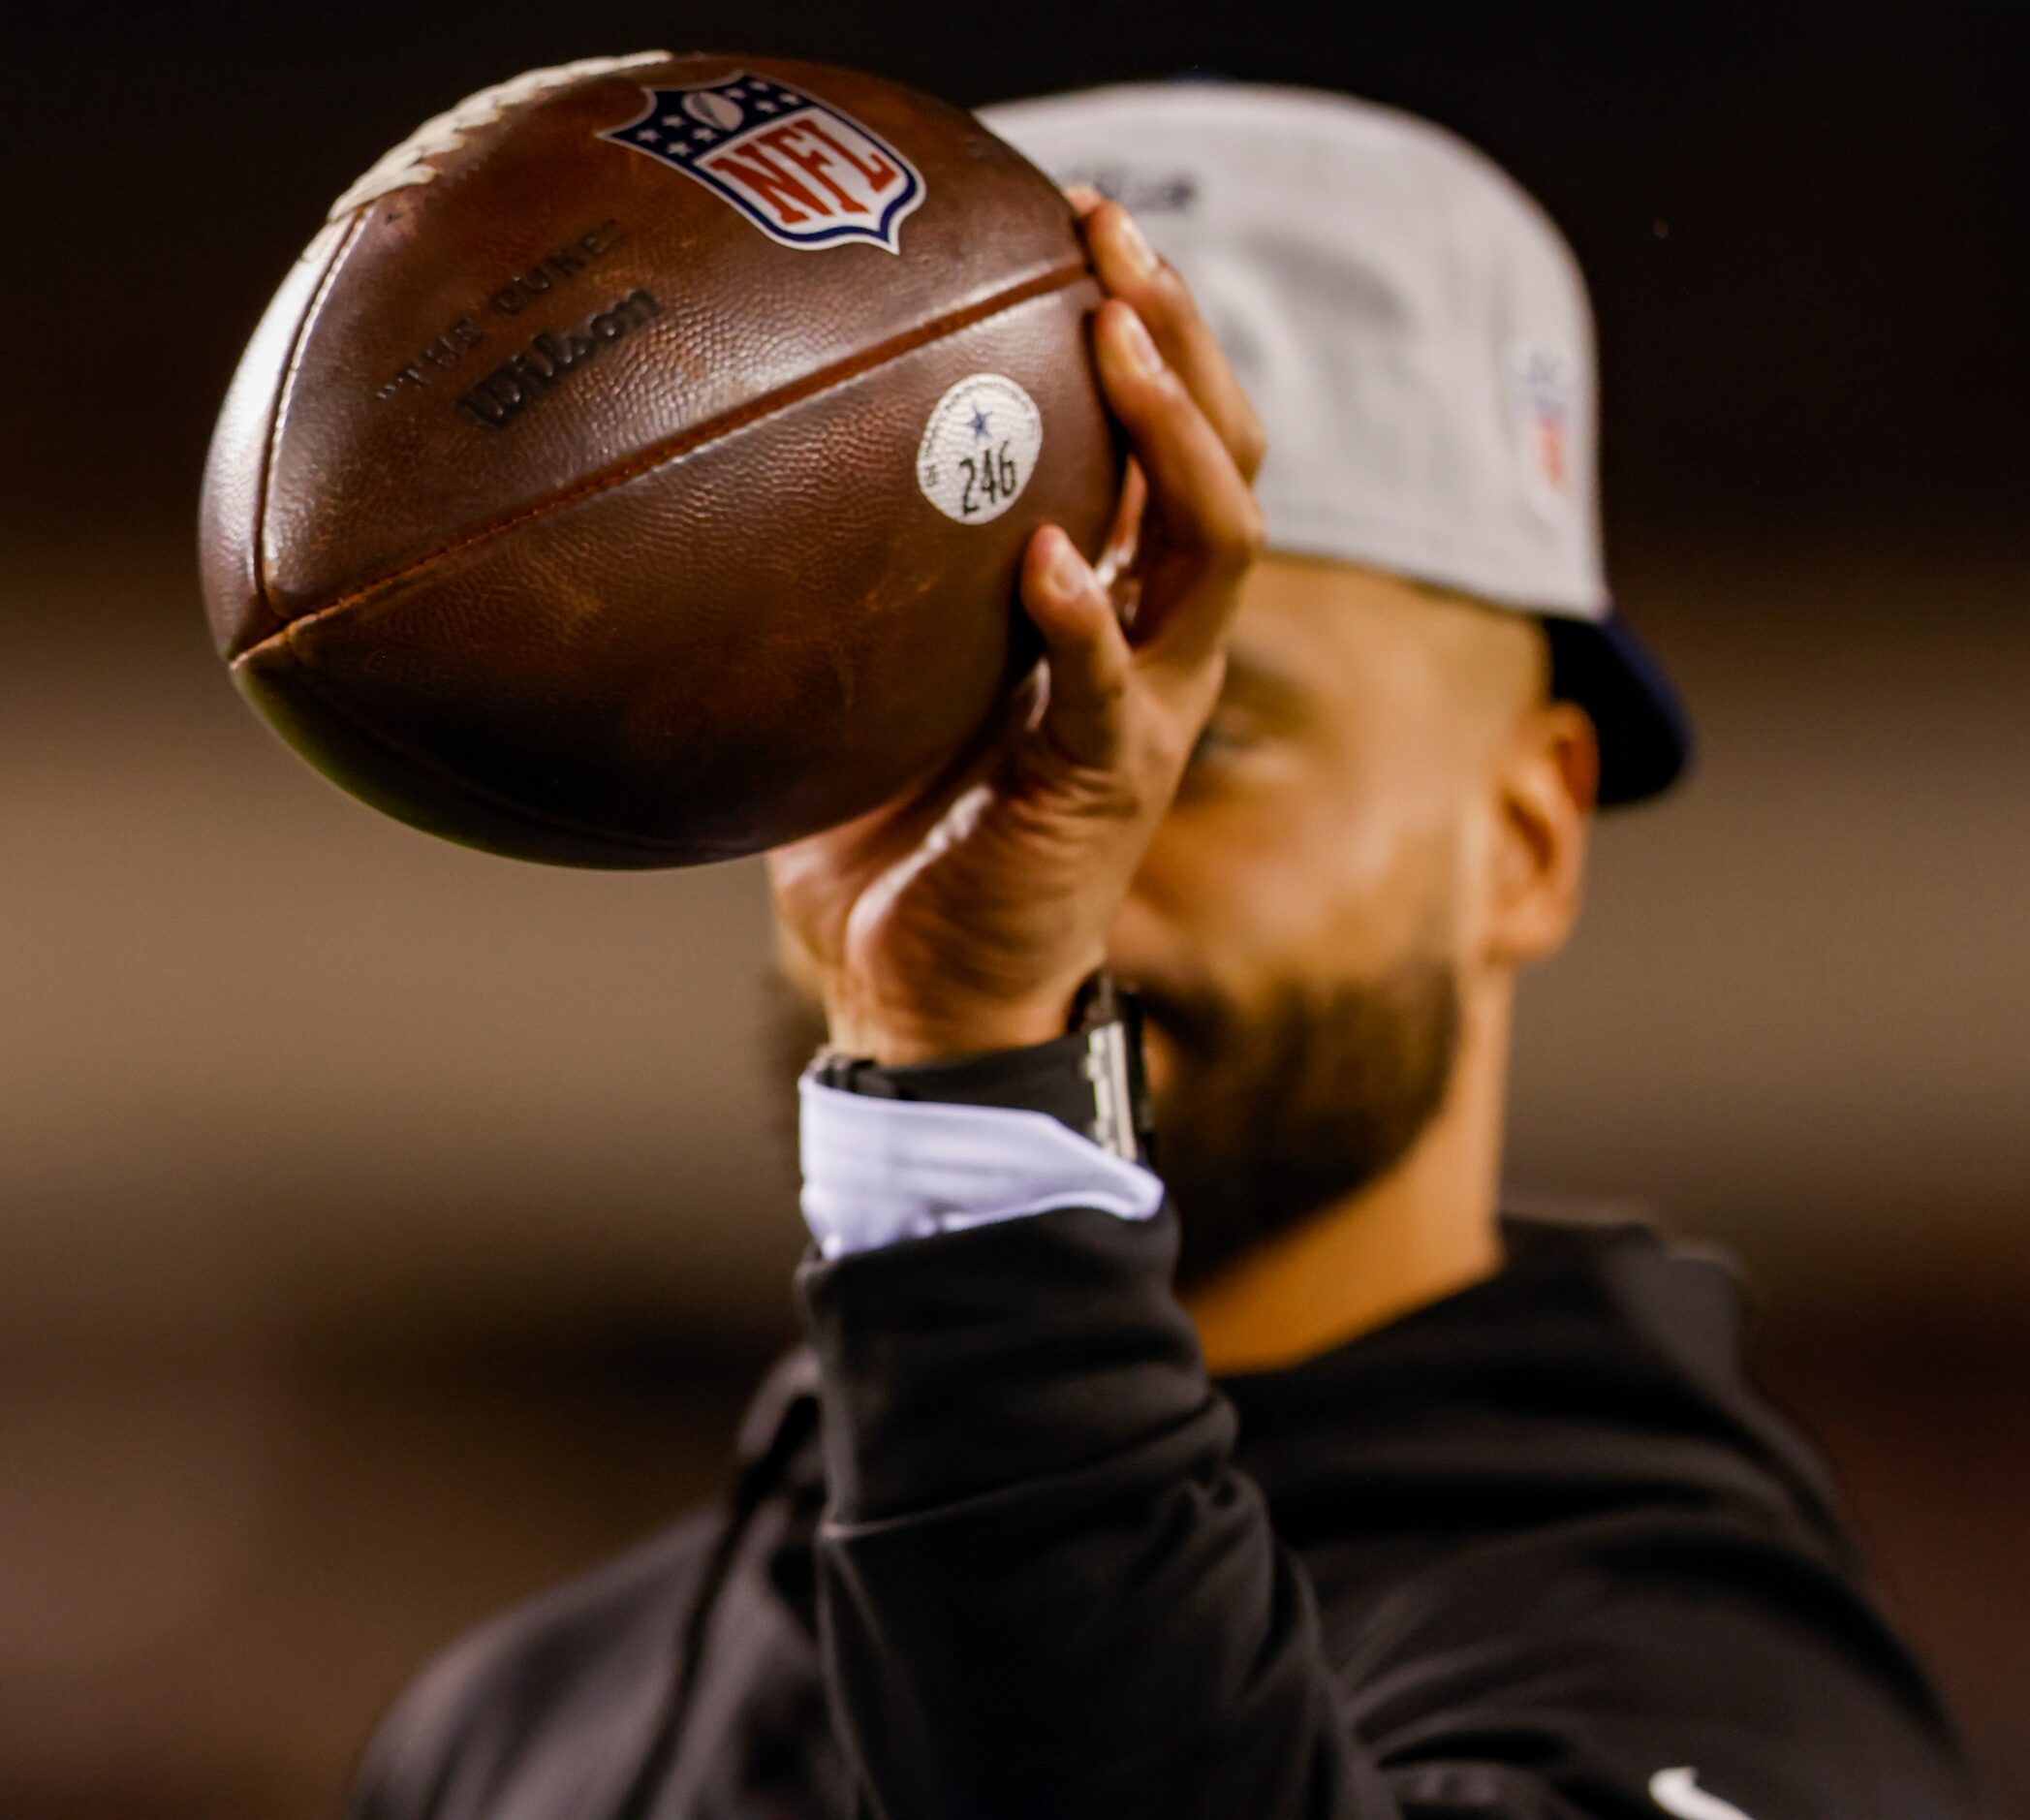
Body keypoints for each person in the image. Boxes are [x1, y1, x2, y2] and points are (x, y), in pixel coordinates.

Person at [344, 83, 1976, 1820]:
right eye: (946, 715)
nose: (1055, 835)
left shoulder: (1710, 1695)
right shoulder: (523, 1721)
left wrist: (975, 1067)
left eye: (1202, 733)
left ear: (1528, 836)